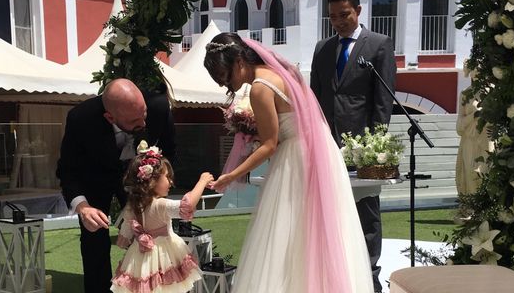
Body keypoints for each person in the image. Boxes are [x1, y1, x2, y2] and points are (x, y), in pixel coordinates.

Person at [205, 32, 373, 293]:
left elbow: (271, 144)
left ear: (239, 62)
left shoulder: (260, 88)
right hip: (320, 153)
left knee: (287, 234)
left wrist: (231, 174)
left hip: (294, 161)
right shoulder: (283, 72)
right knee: (321, 230)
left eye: (224, 76)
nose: (224, 85)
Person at [310, 0, 396, 293]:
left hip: (363, 147)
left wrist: (375, 146)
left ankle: (370, 275)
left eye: (344, 14)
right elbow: (315, 99)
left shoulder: (379, 45)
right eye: (332, 17)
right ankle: (336, 271)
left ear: (358, 11)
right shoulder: (322, 49)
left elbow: (383, 102)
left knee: (366, 210)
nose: (338, 21)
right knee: (329, 209)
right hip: (327, 145)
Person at [56, 78, 176, 293]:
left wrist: (155, 189)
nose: (143, 124)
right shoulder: (80, 118)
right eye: (134, 121)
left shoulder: (158, 107)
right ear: (109, 117)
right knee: (94, 240)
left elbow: (170, 154)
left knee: (152, 235)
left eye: (144, 114)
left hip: (138, 180)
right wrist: (83, 208)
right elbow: (68, 170)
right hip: (95, 177)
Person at [111, 143, 212, 293]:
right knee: (166, 287)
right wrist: (202, 181)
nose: (171, 182)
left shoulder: (133, 205)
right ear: (152, 181)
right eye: (167, 177)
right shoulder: (160, 205)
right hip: (164, 256)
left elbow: (125, 235)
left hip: (139, 257)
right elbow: (188, 204)